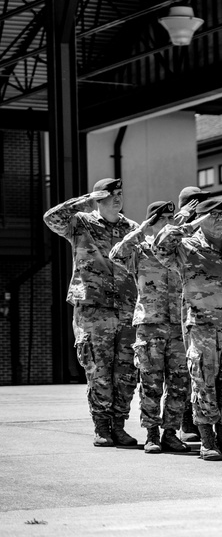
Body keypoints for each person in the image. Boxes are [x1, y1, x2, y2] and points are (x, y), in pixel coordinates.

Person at [154, 197, 222, 461]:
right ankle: (207, 440)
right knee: (204, 384)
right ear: (201, 218)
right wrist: (185, 225)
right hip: (202, 328)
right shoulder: (186, 247)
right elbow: (160, 250)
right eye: (214, 215)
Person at [44, 178, 140, 447]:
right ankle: (101, 426)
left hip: (126, 308)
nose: (118, 199)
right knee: (98, 368)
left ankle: (119, 425)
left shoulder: (130, 228)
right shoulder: (80, 222)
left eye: (120, 194)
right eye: (111, 195)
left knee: (126, 371)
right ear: (99, 198)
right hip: (93, 309)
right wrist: (85, 199)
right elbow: (52, 218)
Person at [109, 200, 190, 454]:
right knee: (151, 383)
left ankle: (170, 433)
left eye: (170, 218)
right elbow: (116, 255)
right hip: (150, 325)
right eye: (162, 219)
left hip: (178, 325)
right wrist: (141, 231)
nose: (168, 223)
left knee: (179, 382)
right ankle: (152, 433)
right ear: (152, 222)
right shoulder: (139, 250)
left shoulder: (179, 249)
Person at [173, 186, 211, 442]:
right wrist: (183, 220)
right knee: (181, 371)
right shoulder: (175, 229)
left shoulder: (205, 233)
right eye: (195, 203)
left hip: (200, 310)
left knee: (200, 370)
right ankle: (185, 424)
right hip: (174, 310)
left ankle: (198, 422)